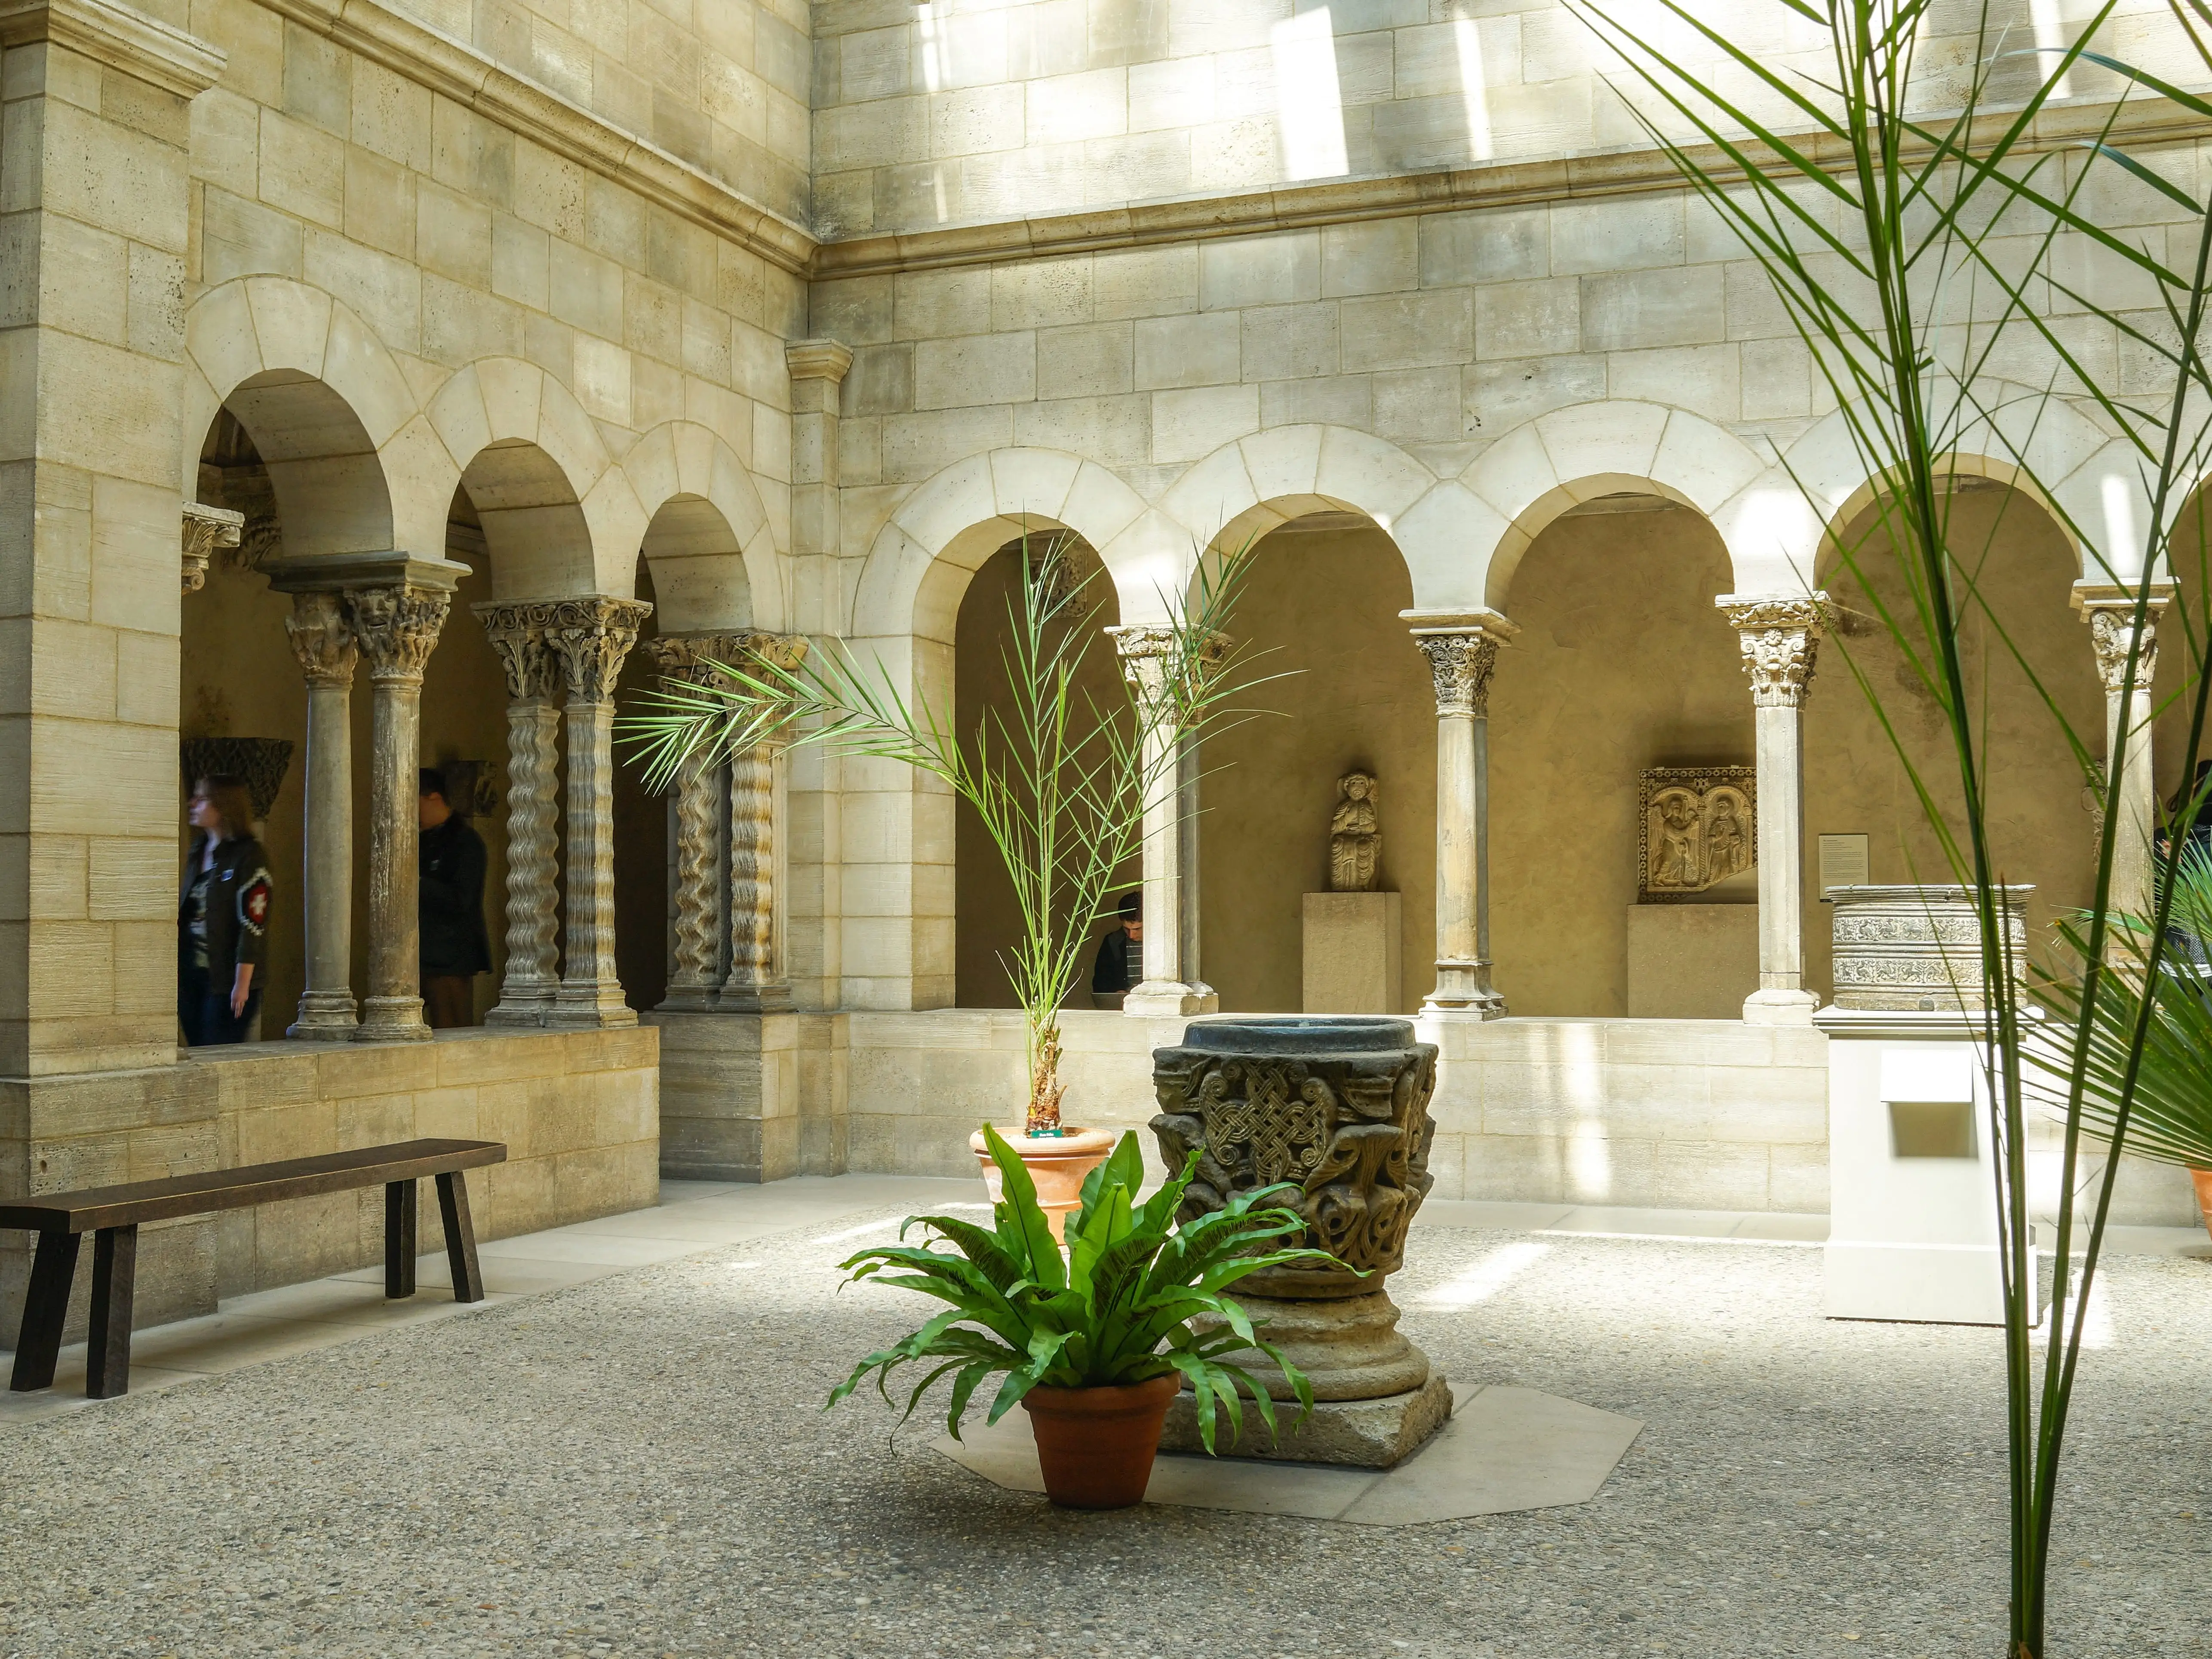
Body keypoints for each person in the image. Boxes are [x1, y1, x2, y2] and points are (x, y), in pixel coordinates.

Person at [179, 775, 272, 1046]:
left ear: (223, 806)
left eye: (202, 799)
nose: (193, 804)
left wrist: (242, 985)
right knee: (197, 1052)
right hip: (192, 976)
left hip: (227, 981)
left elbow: (253, 925)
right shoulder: (199, 849)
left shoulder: (249, 855)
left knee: (218, 1051)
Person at [418, 768, 492, 1029]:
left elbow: (462, 900)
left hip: (449, 956)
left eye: (413, 803)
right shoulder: (422, 840)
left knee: (451, 1029)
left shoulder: (465, 841)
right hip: (418, 953)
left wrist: (416, 883)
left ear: (434, 798)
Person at [1090, 891, 1143, 1010]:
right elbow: (1100, 982)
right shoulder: (1113, 942)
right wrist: (1116, 992)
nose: (1131, 935)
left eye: (1137, 929)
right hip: (1123, 1009)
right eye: (1126, 929)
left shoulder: (1164, 943)